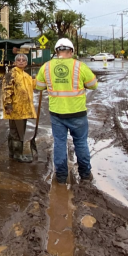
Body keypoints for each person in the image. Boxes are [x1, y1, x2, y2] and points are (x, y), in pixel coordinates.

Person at [35, 37, 98, 184]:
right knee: (81, 143)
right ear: (71, 51)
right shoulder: (79, 66)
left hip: (57, 113)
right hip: (78, 113)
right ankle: (85, 175)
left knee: (59, 143)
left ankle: (61, 177)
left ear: (56, 51)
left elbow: (39, 86)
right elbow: (93, 85)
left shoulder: (46, 67)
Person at [1, 53, 36, 162]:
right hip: (15, 109)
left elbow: (34, 85)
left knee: (16, 132)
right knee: (17, 132)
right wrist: (8, 105)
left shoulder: (26, 76)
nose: (21, 61)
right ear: (15, 62)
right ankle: (17, 154)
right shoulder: (11, 74)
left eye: (23, 60)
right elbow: (6, 91)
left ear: (26, 63)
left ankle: (12, 153)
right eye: (18, 60)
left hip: (24, 110)